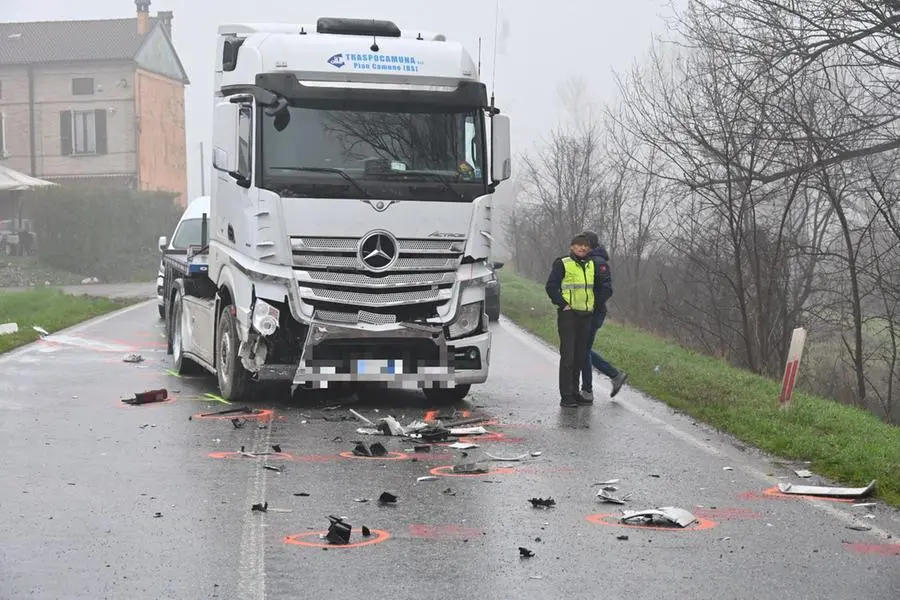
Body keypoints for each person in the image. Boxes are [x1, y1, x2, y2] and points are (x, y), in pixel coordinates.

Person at [545, 234, 601, 407]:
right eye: (579, 245)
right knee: (568, 357)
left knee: (580, 356)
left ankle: (576, 393)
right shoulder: (562, 263)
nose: (582, 248)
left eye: (586, 246)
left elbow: (596, 288)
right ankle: (566, 396)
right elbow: (551, 287)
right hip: (569, 315)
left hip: (586, 315)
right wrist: (563, 304)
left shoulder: (592, 264)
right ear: (572, 247)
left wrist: (594, 306)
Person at [579, 230, 627, 402]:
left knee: (583, 350)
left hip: (593, 313)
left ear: (589, 244)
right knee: (583, 349)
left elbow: (607, 289)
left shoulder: (598, 263)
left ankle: (587, 391)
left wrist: (591, 306)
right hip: (585, 313)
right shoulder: (587, 261)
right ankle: (614, 375)